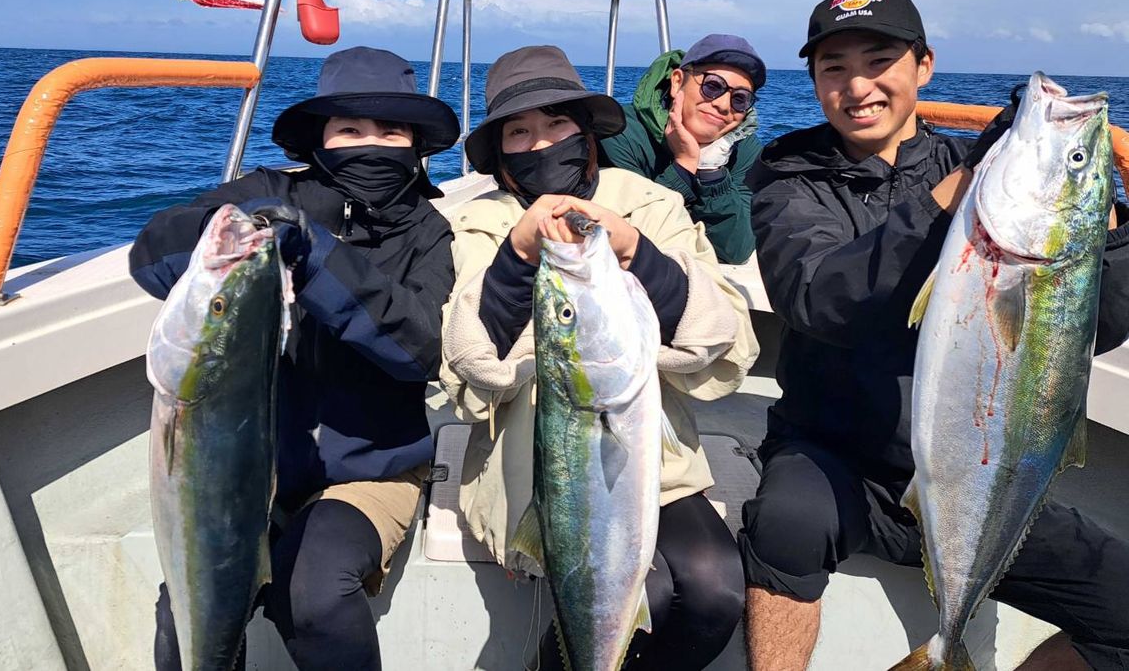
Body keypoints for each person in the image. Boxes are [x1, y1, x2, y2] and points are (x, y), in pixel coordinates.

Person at [742, 0, 1129, 671]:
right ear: (814, 81)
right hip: (833, 455)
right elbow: (816, 299)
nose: (858, 85)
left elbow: (1092, 329)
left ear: (924, 65)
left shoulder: (975, 168)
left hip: (984, 472)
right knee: (784, 524)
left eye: (879, 59)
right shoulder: (788, 177)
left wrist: (1110, 238)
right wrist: (950, 201)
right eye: (834, 67)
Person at [129, 46, 460, 671]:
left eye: (391, 130)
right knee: (187, 613)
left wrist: (320, 254)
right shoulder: (269, 191)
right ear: (320, 139)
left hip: (370, 472)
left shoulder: (427, 232)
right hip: (241, 467)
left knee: (312, 591)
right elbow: (151, 256)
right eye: (350, 129)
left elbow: (420, 351)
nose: (372, 143)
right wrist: (228, 230)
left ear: (414, 144)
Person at [439, 44, 760, 669]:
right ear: (499, 150)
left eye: (556, 124)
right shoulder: (479, 223)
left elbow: (726, 338)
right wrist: (516, 257)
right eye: (519, 131)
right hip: (534, 472)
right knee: (654, 593)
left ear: (585, 131)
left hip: (646, 455)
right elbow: (471, 368)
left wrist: (637, 248)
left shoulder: (648, 203)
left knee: (717, 591)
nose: (539, 145)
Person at [600, 34, 765, 264]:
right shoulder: (618, 133)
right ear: (677, 82)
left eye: (740, 99)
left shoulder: (744, 150)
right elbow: (624, 238)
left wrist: (711, 170)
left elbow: (736, 249)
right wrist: (684, 166)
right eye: (713, 86)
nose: (723, 105)